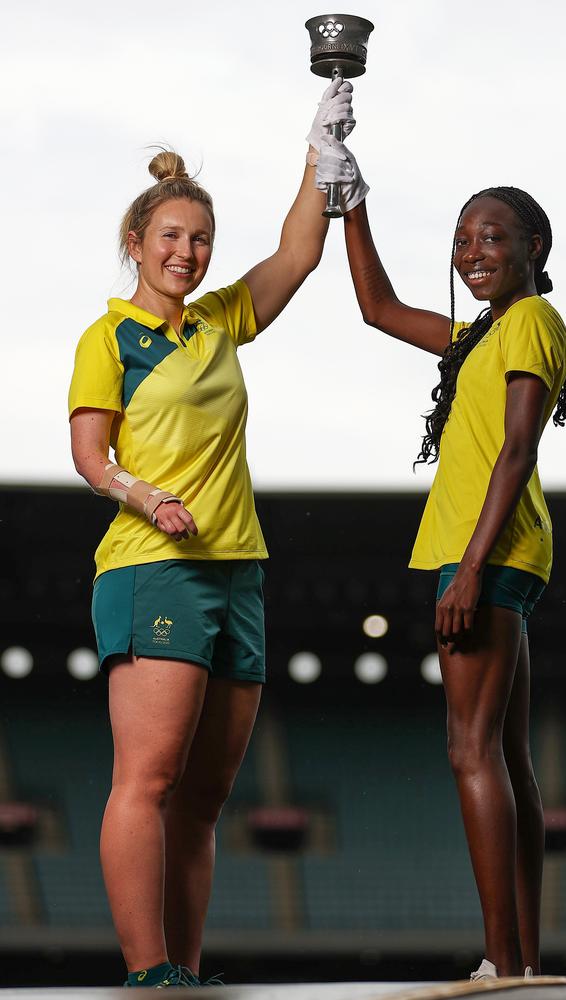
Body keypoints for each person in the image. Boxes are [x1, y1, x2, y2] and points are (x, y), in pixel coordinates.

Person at [68, 80, 355, 989]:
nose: (186, 253)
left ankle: (185, 971)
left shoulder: (221, 322)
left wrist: (325, 150)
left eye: (199, 240)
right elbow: (88, 455)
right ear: (136, 245)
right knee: (146, 783)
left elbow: (299, 254)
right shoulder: (109, 337)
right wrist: (143, 495)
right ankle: (146, 972)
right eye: (170, 238)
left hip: (238, 571)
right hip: (153, 567)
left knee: (203, 802)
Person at [315, 136, 566, 979]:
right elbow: (378, 306)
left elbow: (516, 451)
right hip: (494, 551)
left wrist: (469, 568)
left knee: (470, 750)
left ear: (533, 248)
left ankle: (502, 964)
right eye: (463, 239)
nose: (473, 252)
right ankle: (523, 962)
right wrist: (348, 199)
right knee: (506, 759)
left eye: (491, 236)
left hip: (488, 552)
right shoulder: (480, 337)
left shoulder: (533, 320)